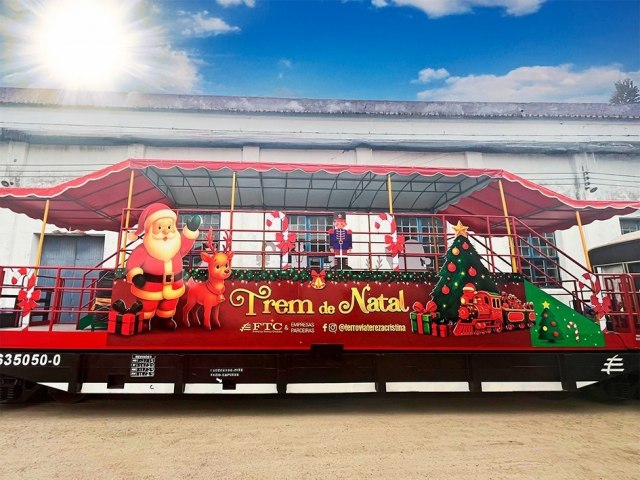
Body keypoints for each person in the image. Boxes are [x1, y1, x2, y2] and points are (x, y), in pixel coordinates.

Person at [125, 203, 201, 329]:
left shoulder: (176, 246)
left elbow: (186, 244)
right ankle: (145, 320)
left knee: (169, 305)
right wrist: (136, 276)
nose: (165, 231)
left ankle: (166, 319)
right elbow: (133, 263)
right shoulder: (143, 250)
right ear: (150, 229)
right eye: (160, 227)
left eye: (169, 227)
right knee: (147, 305)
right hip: (150, 287)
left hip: (174, 286)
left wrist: (190, 231)